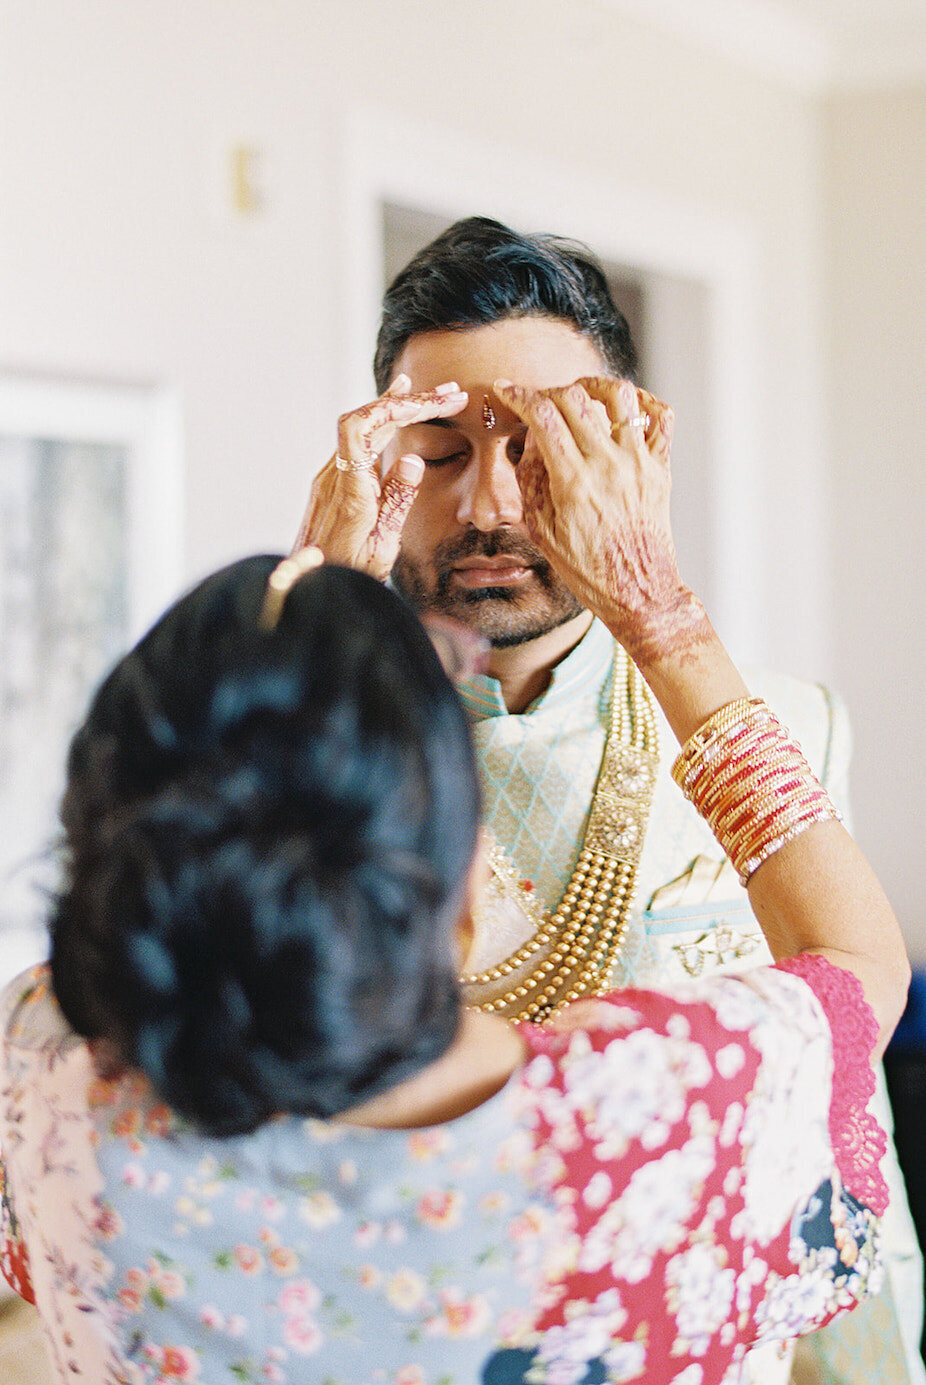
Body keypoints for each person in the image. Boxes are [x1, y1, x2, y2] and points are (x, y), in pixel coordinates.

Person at [0, 500, 911, 1382]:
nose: (490, 494)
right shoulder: (665, 1112)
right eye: (440, 449)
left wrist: (310, 654)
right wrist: (667, 622)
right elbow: (860, 967)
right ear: (466, 877)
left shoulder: (57, 1102)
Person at [295, 217, 924, 1384]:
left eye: (537, 444)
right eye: (436, 449)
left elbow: (840, 1109)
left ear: (628, 452)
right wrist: (316, 622)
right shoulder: (294, 749)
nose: (487, 501)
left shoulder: (781, 722)